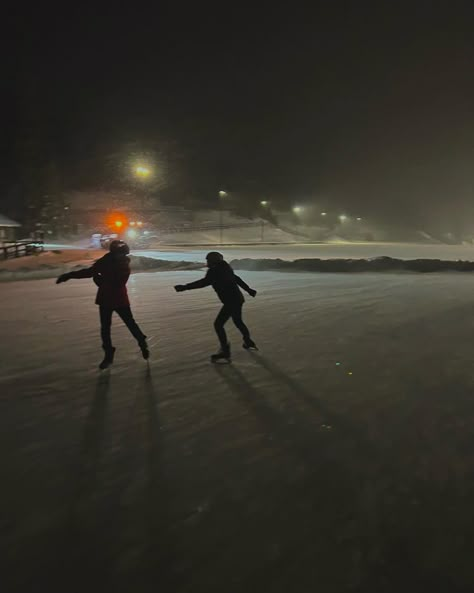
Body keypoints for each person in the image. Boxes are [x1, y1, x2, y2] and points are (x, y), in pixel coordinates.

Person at [56, 240, 149, 369]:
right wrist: (70, 275)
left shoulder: (118, 263)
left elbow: (114, 281)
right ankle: (117, 349)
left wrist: (99, 281)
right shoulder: (114, 262)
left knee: (115, 325)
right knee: (113, 326)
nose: (122, 256)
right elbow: (90, 272)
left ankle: (137, 342)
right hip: (114, 298)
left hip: (111, 298)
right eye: (121, 254)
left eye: (123, 254)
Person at [174, 251, 257, 362]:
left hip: (230, 301)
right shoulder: (226, 268)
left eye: (208, 260)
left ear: (214, 261)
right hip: (237, 299)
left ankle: (225, 351)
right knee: (238, 321)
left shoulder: (215, 271)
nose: (207, 262)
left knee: (218, 324)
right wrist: (248, 289)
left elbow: (204, 282)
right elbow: (236, 279)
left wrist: (185, 287)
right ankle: (248, 341)